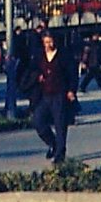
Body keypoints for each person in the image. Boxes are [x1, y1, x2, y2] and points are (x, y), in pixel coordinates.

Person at [16, 31, 79, 163]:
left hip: (60, 94)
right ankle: (53, 143)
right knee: (38, 121)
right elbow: (32, 69)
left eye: (50, 42)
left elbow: (72, 74)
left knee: (60, 124)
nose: (48, 45)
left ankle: (60, 153)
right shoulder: (40, 55)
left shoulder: (64, 55)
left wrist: (72, 90)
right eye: (45, 42)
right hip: (44, 94)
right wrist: (37, 76)